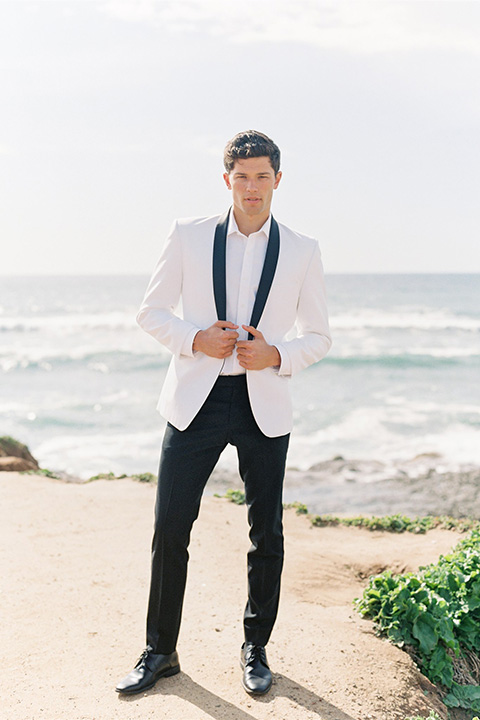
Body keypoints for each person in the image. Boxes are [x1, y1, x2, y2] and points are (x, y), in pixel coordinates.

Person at [115, 130, 332, 697]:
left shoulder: (304, 250)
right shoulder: (187, 236)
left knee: (267, 532)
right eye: (242, 177)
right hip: (196, 401)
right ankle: (160, 651)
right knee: (169, 526)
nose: (252, 187)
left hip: (264, 402)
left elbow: (320, 336)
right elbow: (151, 312)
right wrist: (194, 339)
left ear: (278, 180)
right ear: (227, 179)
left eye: (263, 176)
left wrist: (276, 354)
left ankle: (255, 647)